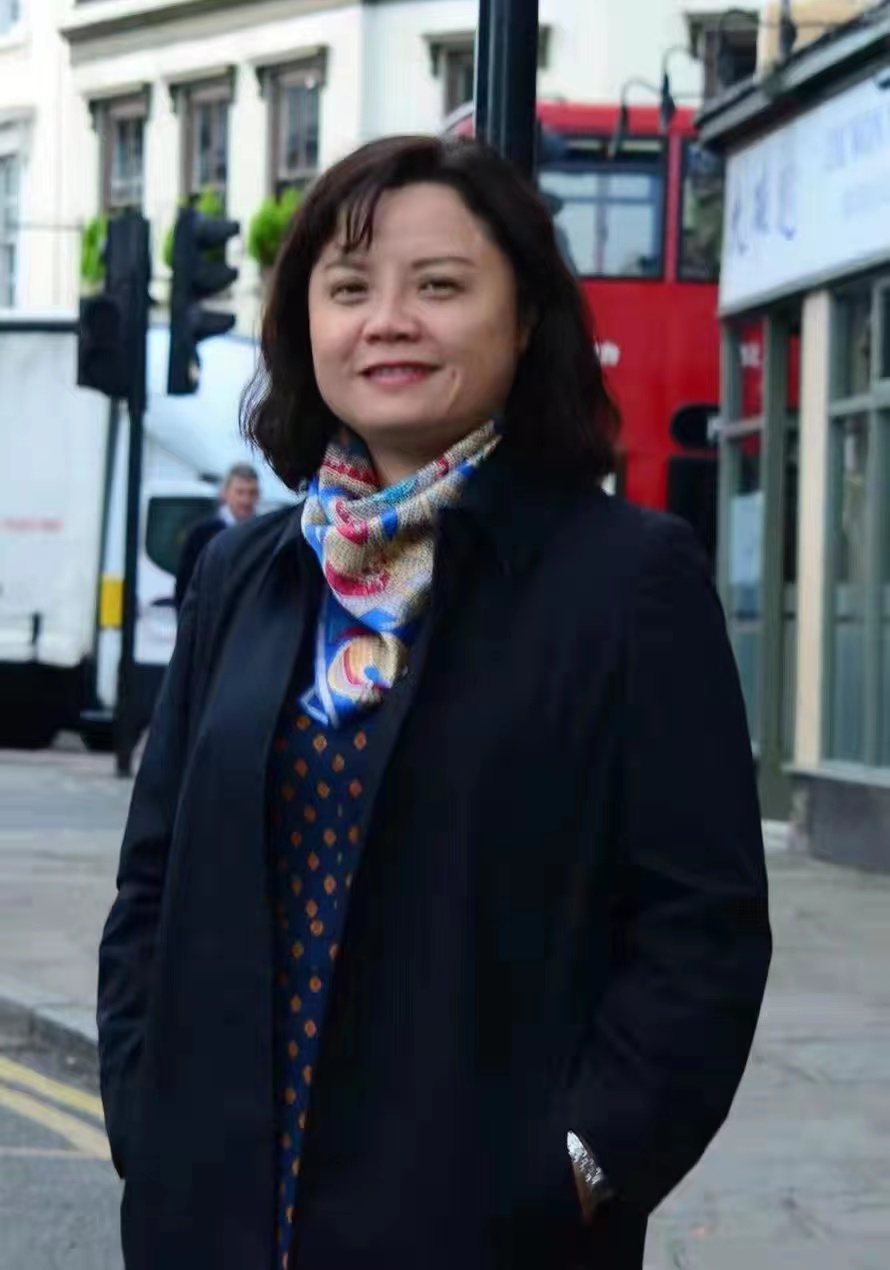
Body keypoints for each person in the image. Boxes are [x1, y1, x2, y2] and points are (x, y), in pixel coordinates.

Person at [97, 135, 771, 1270]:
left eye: (440, 286)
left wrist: (583, 1165)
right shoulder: (245, 574)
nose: (388, 322)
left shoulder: (626, 580)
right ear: (303, 324)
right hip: (210, 1221)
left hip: (485, 1234)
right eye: (349, 289)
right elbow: (151, 884)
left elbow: (700, 930)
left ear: (526, 317)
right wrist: (140, 1111)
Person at [173, 462, 260, 610]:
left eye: (252, 493)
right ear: (224, 494)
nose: (246, 500)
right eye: (240, 492)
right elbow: (185, 587)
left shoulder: (263, 533)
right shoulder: (201, 534)